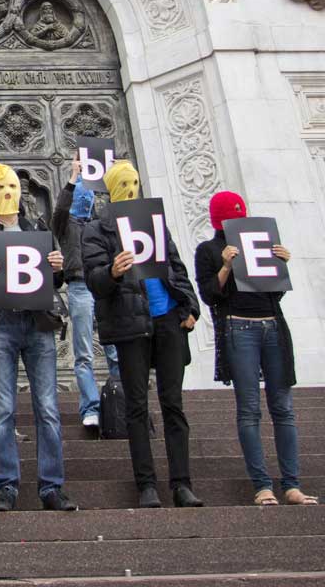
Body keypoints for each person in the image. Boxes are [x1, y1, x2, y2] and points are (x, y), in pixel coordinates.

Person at [82, 160, 204, 509]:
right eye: (124, 184)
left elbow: (176, 268)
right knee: (136, 405)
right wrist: (113, 272)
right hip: (129, 323)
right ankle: (146, 484)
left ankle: (182, 483)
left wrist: (190, 308)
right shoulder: (97, 230)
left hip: (166, 319)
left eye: (135, 182)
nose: (131, 189)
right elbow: (95, 282)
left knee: (173, 404)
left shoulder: (155, 225)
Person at [194, 191, 317, 506]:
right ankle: (262, 485)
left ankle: (292, 485)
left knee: (283, 408)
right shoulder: (207, 250)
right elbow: (209, 294)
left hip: (272, 326)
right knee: (249, 409)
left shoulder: (258, 242)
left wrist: (281, 266)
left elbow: (274, 296)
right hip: (239, 328)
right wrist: (225, 267)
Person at [0, 164, 78, 513]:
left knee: (47, 407)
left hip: (37, 325)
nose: (7, 192)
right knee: (2, 410)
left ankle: (52, 486)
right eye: (0, 186)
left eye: (12, 185)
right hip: (0, 325)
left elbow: (56, 282)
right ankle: (6, 486)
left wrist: (57, 266)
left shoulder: (39, 229)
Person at [51, 156, 119, 428]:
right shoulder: (65, 226)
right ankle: (90, 407)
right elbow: (59, 209)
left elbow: (120, 211)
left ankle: (119, 401)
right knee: (84, 352)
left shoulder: (101, 225)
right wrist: (71, 178)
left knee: (114, 349)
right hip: (79, 286)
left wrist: (112, 176)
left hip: (105, 286)